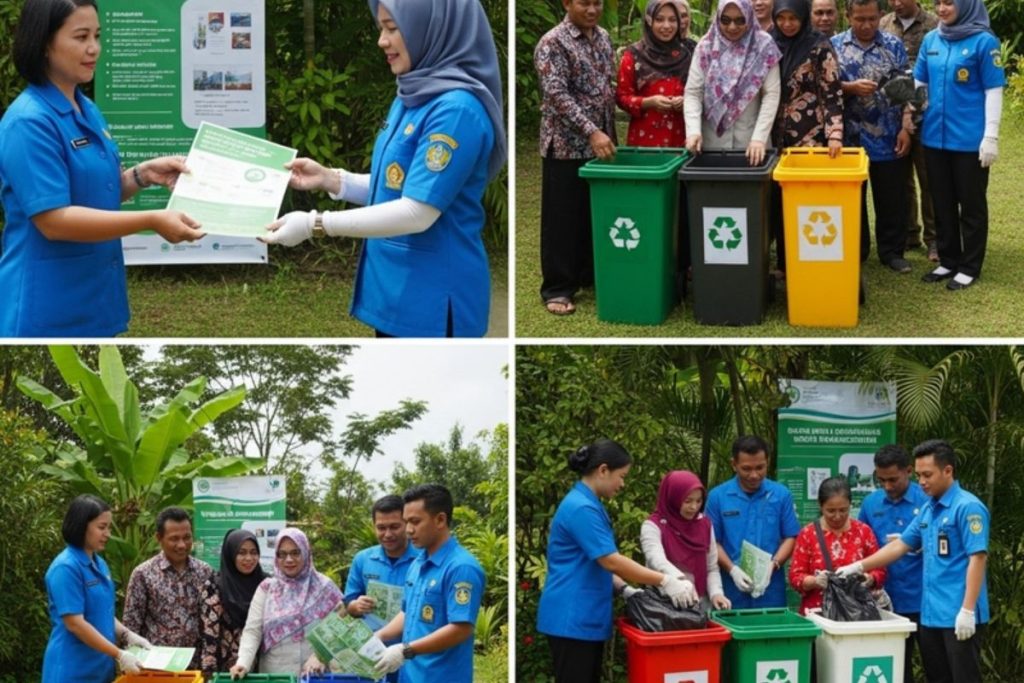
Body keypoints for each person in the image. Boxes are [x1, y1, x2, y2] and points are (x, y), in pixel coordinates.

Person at [262, 0, 505, 338]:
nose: (382, 40)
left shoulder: (456, 111)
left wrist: (314, 224)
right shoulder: (414, 91)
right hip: (396, 291)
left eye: (393, 28)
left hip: (433, 299)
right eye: (381, 28)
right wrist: (333, 180)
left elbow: (417, 210)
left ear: (431, 27)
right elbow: (398, 184)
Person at [0, 0, 204, 338]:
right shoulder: (29, 122)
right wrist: (151, 219)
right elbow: (53, 220)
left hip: (96, 295)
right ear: (44, 44)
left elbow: (96, 192)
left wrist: (141, 176)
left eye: (97, 35)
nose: (93, 48)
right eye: (80, 37)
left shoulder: (86, 108)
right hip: (46, 302)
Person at [536, 440, 695, 683]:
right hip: (572, 617)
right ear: (603, 470)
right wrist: (664, 580)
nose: (622, 483)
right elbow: (610, 561)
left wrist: (624, 588)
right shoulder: (581, 509)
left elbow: (594, 562)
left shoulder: (588, 504)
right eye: (621, 476)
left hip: (582, 617)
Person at [837, 440, 990, 683]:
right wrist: (858, 566)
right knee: (937, 677)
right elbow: (900, 545)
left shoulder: (967, 507)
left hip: (958, 612)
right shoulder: (930, 509)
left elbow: (978, 557)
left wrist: (968, 610)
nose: (922, 482)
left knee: (963, 677)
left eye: (927, 475)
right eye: (919, 475)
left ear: (947, 471)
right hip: (930, 612)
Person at [915, 0, 1005, 291]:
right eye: (938, 3)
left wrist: (990, 135)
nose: (942, 9)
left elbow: (994, 90)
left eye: (949, 3)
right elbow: (920, 82)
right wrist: (910, 97)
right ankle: (949, 259)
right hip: (934, 136)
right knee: (941, 202)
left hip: (969, 140)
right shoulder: (932, 39)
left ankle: (969, 266)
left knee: (972, 205)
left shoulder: (984, 41)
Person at [535, 0, 617, 317]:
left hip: (602, 146)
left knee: (592, 214)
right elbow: (557, 96)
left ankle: (587, 275)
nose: (592, 9)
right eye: (584, 2)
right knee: (562, 219)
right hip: (566, 145)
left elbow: (605, 88)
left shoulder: (604, 37)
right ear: (568, 3)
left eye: (597, 3)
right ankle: (557, 288)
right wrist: (592, 131)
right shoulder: (552, 42)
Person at [372, 484, 486, 682]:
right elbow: (408, 612)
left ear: (440, 519)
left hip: (441, 676)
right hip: (410, 674)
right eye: (406, 522)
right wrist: (379, 635)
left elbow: (461, 628)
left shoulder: (461, 567)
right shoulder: (418, 563)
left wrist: (406, 650)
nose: (408, 530)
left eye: (415, 522)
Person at [833, 0, 913, 273]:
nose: (866, 25)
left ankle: (892, 252)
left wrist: (906, 127)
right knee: (851, 199)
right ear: (848, 16)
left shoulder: (893, 45)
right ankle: (857, 250)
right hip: (848, 139)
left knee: (892, 198)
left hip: (888, 135)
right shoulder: (834, 46)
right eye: (859, 19)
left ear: (880, 15)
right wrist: (850, 87)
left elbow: (906, 89)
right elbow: (826, 88)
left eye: (871, 19)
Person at [42, 495, 152, 682]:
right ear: (81, 526)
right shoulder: (66, 567)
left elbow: (102, 611)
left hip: (100, 668)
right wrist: (119, 654)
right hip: (73, 669)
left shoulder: (99, 563)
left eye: (108, 527)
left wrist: (127, 635)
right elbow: (75, 623)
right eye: (102, 527)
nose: (108, 533)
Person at [770, 0, 844, 274]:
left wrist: (834, 133)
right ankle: (783, 263)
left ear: (803, 17)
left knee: (806, 200)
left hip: (809, 137)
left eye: (793, 18)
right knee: (777, 199)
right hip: (774, 138)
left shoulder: (819, 46)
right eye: (782, 18)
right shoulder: (768, 43)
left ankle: (810, 260)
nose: (787, 24)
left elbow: (832, 93)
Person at [230, 528, 345, 677]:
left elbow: (339, 628)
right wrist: (243, 663)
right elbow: (253, 631)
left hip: (316, 675)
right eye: (282, 554)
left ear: (306, 552)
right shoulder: (267, 589)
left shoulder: (325, 588)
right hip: (276, 676)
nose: (289, 560)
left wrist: (320, 656)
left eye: (295, 553)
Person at [857, 444, 928, 683]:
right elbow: (862, 545)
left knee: (935, 664)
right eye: (882, 480)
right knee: (894, 667)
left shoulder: (927, 499)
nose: (888, 486)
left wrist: (921, 545)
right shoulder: (871, 503)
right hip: (884, 599)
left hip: (924, 599)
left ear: (908, 471)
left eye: (893, 480)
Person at [705, 435, 801, 609]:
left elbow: (790, 537)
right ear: (734, 464)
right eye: (746, 469)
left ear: (767, 462)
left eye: (760, 468)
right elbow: (712, 542)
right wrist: (732, 570)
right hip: (730, 591)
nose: (754, 475)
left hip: (770, 590)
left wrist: (774, 564)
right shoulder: (718, 497)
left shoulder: (780, 494)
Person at [684, 0, 782, 167]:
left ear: (749, 17)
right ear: (718, 18)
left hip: (752, 142)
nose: (732, 27)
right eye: (726, 20)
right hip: (710, 142)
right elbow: (693, 92)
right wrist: (693, 131)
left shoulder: (764, 46)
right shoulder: (706, 47)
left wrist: (759, 138)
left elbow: (771, 95)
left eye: (740, 20)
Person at [880, 0, 939, 261]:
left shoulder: (934, 25)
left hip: (927, 115)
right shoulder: (883, 24)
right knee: (901, 180)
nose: (896, 3)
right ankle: (909, 234)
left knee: (929, 179)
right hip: (895, 116)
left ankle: (935, 239)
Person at [122, 506, 213, 670]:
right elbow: (131, 625)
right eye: (174, 539)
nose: (182, 545)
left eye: (187, 537)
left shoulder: (204, 571)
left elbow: (210, 621)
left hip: (195, 666)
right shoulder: (143, 574)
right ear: (159, 538)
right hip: (156, 668)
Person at [345, 495, 418, 683]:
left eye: (394, 526)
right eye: (381, 528)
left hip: (411, 652)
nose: (387, 534)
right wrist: (355, 606)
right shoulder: (363, 559)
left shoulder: (422, 560)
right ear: (374, 526)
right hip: (371, 652)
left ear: (406, 524)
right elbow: (348, 603)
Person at [788, 477, 886, 615]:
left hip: (856, 613)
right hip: (818, 613)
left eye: (843, 510)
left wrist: (869, 579)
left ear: (850, 505)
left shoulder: (864, 532)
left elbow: (880, 569)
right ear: (820, 506)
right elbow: (795, 576)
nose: (838, 516)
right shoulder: (808, 534)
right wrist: (815, 581)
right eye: (831, 511)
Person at [640, 470, 732, 610]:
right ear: (673, 498)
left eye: (699, 501)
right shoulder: (653, 526)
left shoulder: (704, 524)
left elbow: (711, 568)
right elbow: (656, 560)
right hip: (664, 606)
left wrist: (716, 594)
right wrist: (680, 581)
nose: (694, 507)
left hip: (699, 606)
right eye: (687, 501)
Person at [616, 1, 694, 148]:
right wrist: (648, 102)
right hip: (644, 139)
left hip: (683, 138)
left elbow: (701, 92)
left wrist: (687, 101)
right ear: (649, 21)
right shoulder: (633, 55)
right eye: (659, 19)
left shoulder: (689, 54)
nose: (666, 26)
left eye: (672, 20)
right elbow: (621, 97)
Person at [199, 528, 267, 677]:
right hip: (227, 672)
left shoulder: (266, 584)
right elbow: (209, 636)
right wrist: (209, 675)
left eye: (253, 552)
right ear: (230, 554)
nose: (249, 558)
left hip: (262, 669)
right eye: (241, 553)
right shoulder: (214, 586)